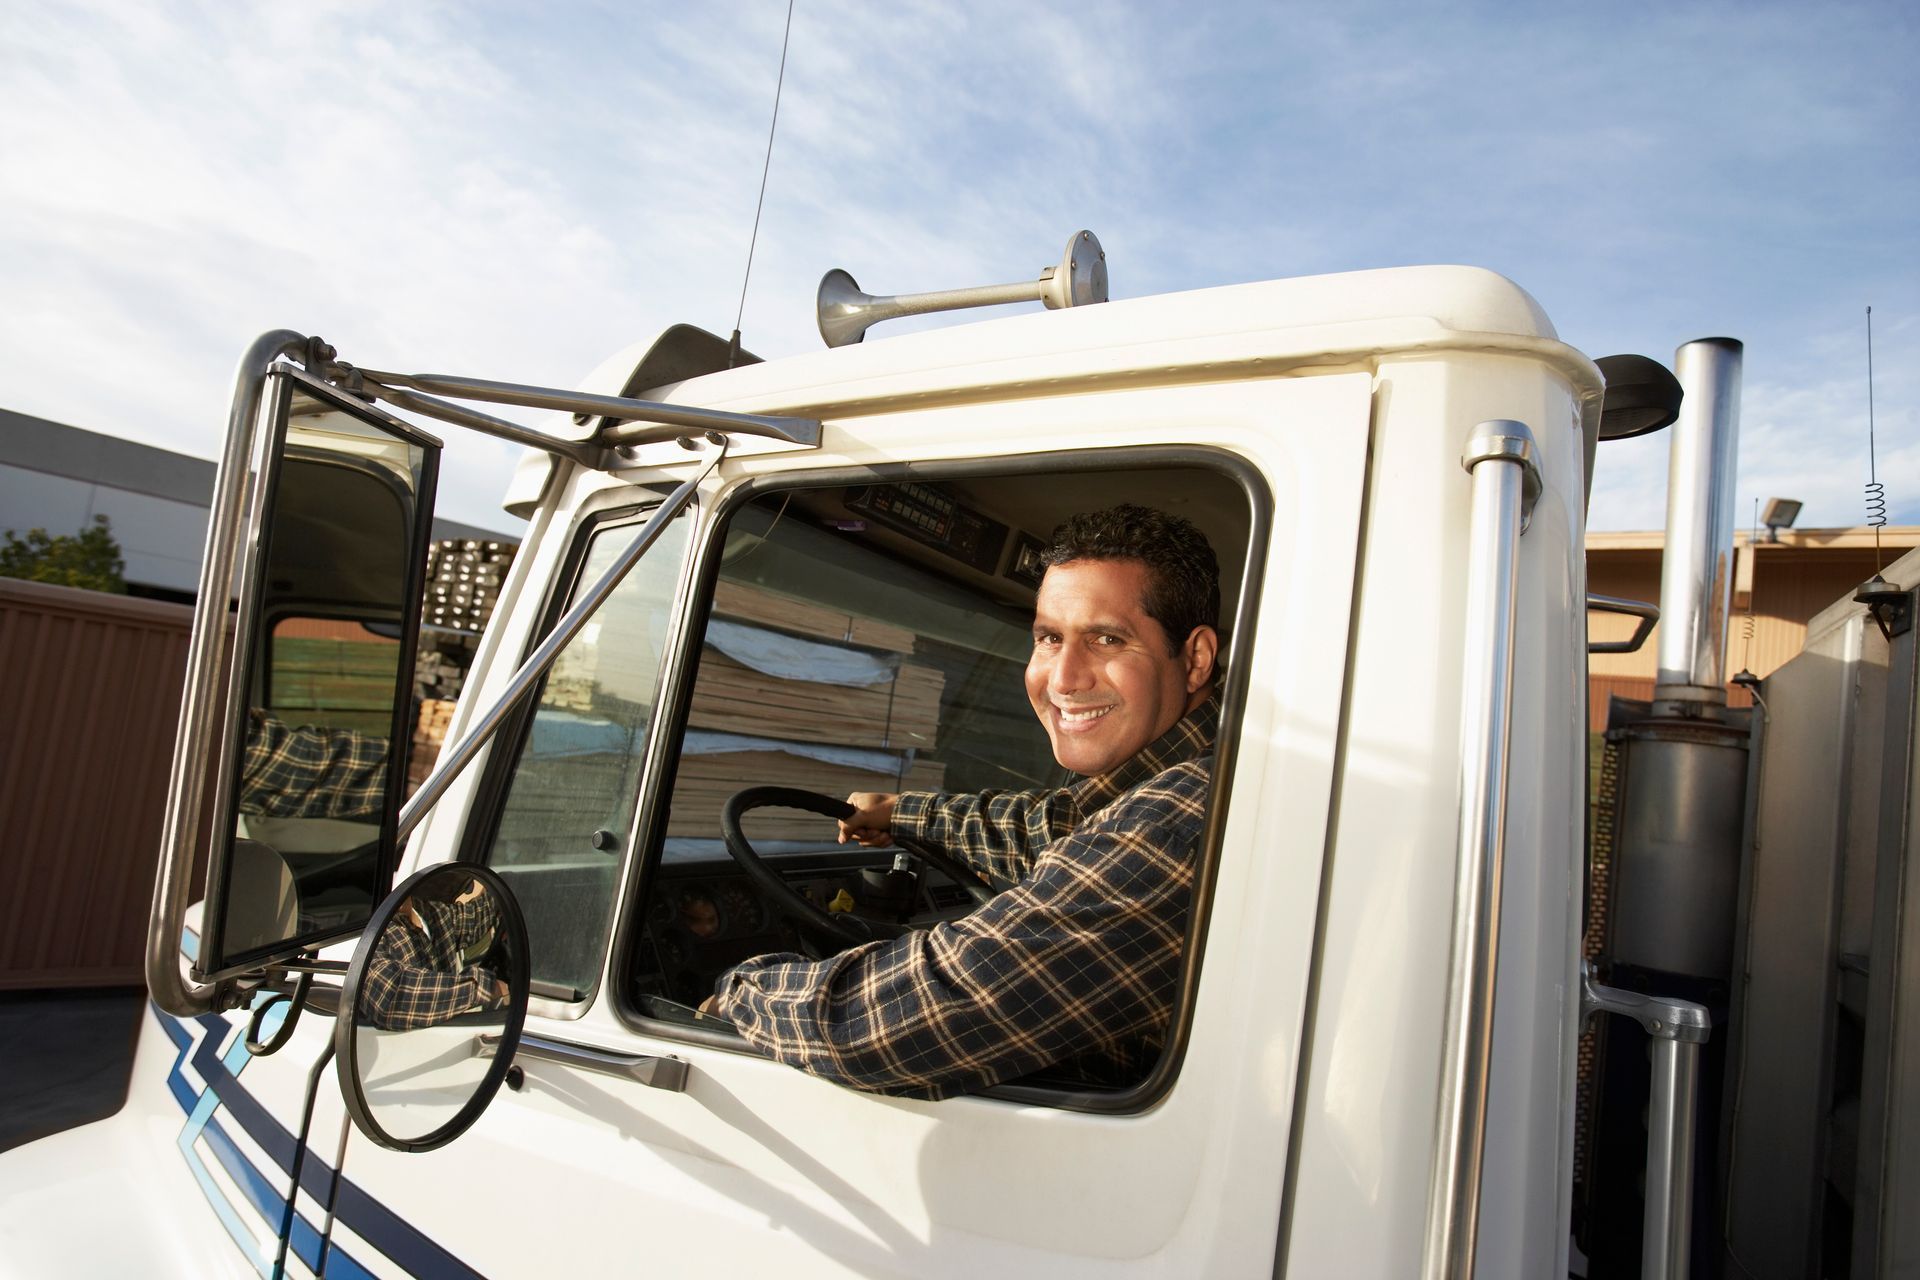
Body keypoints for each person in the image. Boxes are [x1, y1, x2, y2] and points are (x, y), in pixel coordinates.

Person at [704, 504, 1222, 1100]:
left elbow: (898, 1024)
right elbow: (1053, 829)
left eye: (1107, 639)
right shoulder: (1168, 785)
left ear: (1196, 658)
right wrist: (900, 813)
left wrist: (741, 992)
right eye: (1049, 638)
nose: (1062, 679)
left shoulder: (1187, 815)